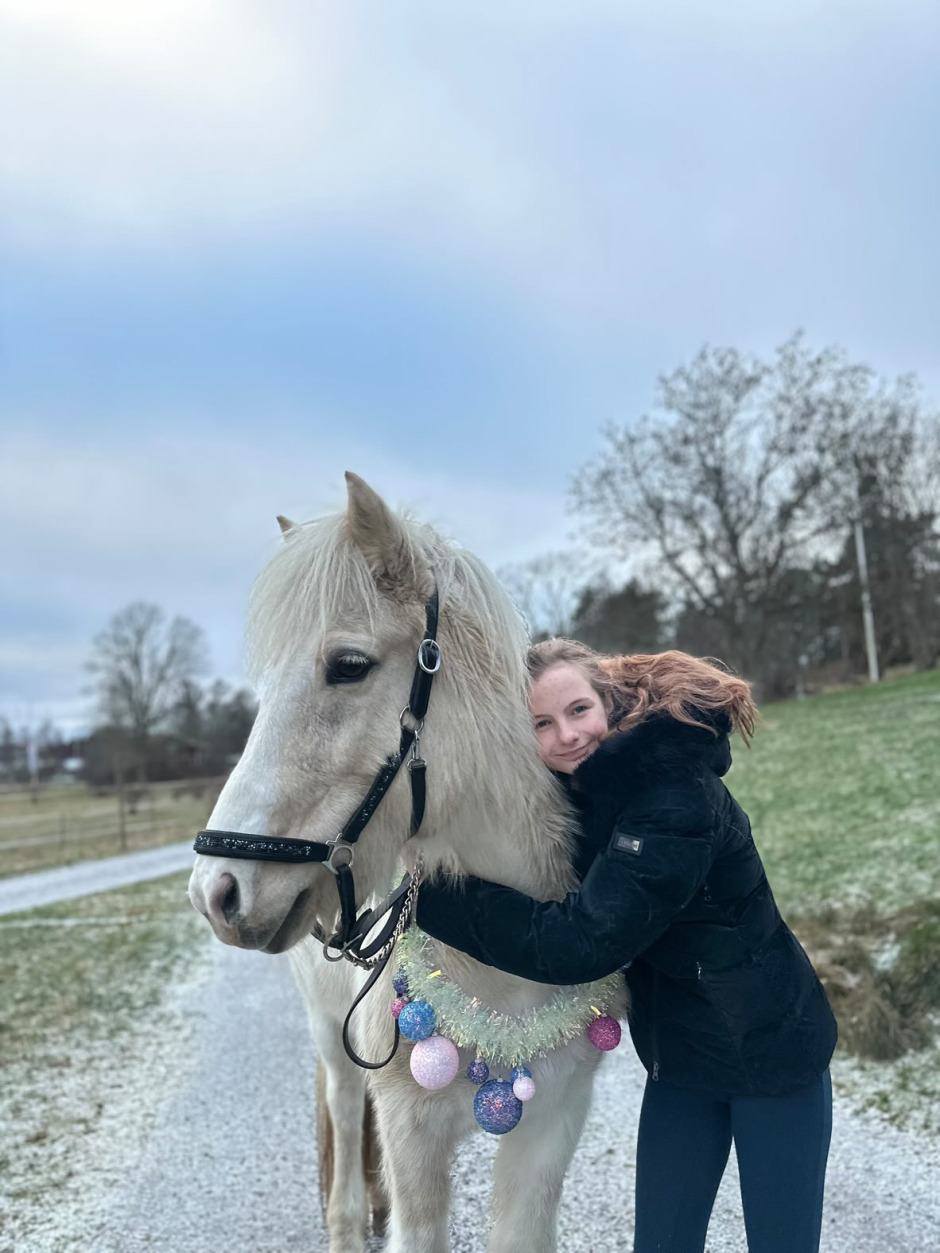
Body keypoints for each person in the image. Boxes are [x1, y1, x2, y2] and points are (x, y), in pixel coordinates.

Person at [415, 638, 837, 1253]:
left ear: (608, 702)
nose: (566, 735)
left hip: (773, 1057)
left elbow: (581, 942)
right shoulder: (586, 792)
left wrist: (431, 900)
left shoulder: (673, 794)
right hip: (683, 1063)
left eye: (579, 710)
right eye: (541, 723)